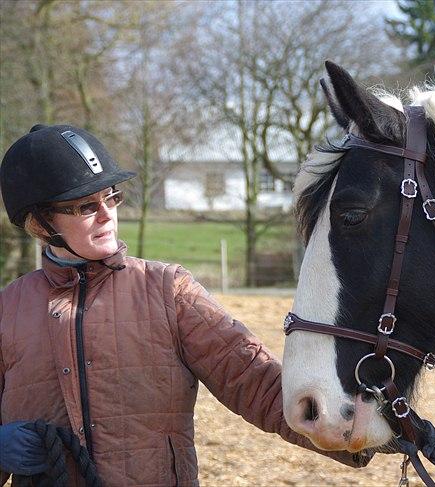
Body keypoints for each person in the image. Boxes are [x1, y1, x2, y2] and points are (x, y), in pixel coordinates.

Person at [0, 125, 371, 485]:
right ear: (40, 223)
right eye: (85, 206)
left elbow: (255, 382)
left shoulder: (168, 290)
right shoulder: (7, 310)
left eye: (111, 197)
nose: (107, 214)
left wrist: (363, 431)